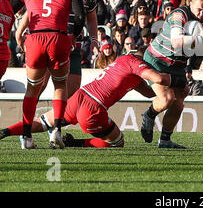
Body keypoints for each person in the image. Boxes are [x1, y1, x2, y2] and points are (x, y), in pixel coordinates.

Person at [0, 50, 175, 148]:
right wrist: (174, 79)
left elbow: (148, 93)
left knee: (45, 121)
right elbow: (160, 79)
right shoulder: (133, 62)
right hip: (93, 108)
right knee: (118, 142)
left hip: (80, 96)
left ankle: (6, 131)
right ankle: (72, 143)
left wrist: (153, 84)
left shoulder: (127, 67)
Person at [9, 0, 86, 149]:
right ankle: (56, 134)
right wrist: (73, 36)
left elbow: (10, 9)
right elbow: (80, 16)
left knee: (32, 89)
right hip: (58, 38)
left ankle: (26, 137)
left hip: (35, 39)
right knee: (60, 86)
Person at [140, 0, 203, 149]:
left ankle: (165, 140)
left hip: (178, 64)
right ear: (190, 3)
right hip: (157, 61)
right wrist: (199, 40)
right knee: (167, 99)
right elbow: (176, 42)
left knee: (179, 101)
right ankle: (149, 114)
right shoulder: (179, 15)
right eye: (199, 9)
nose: (202, 13)